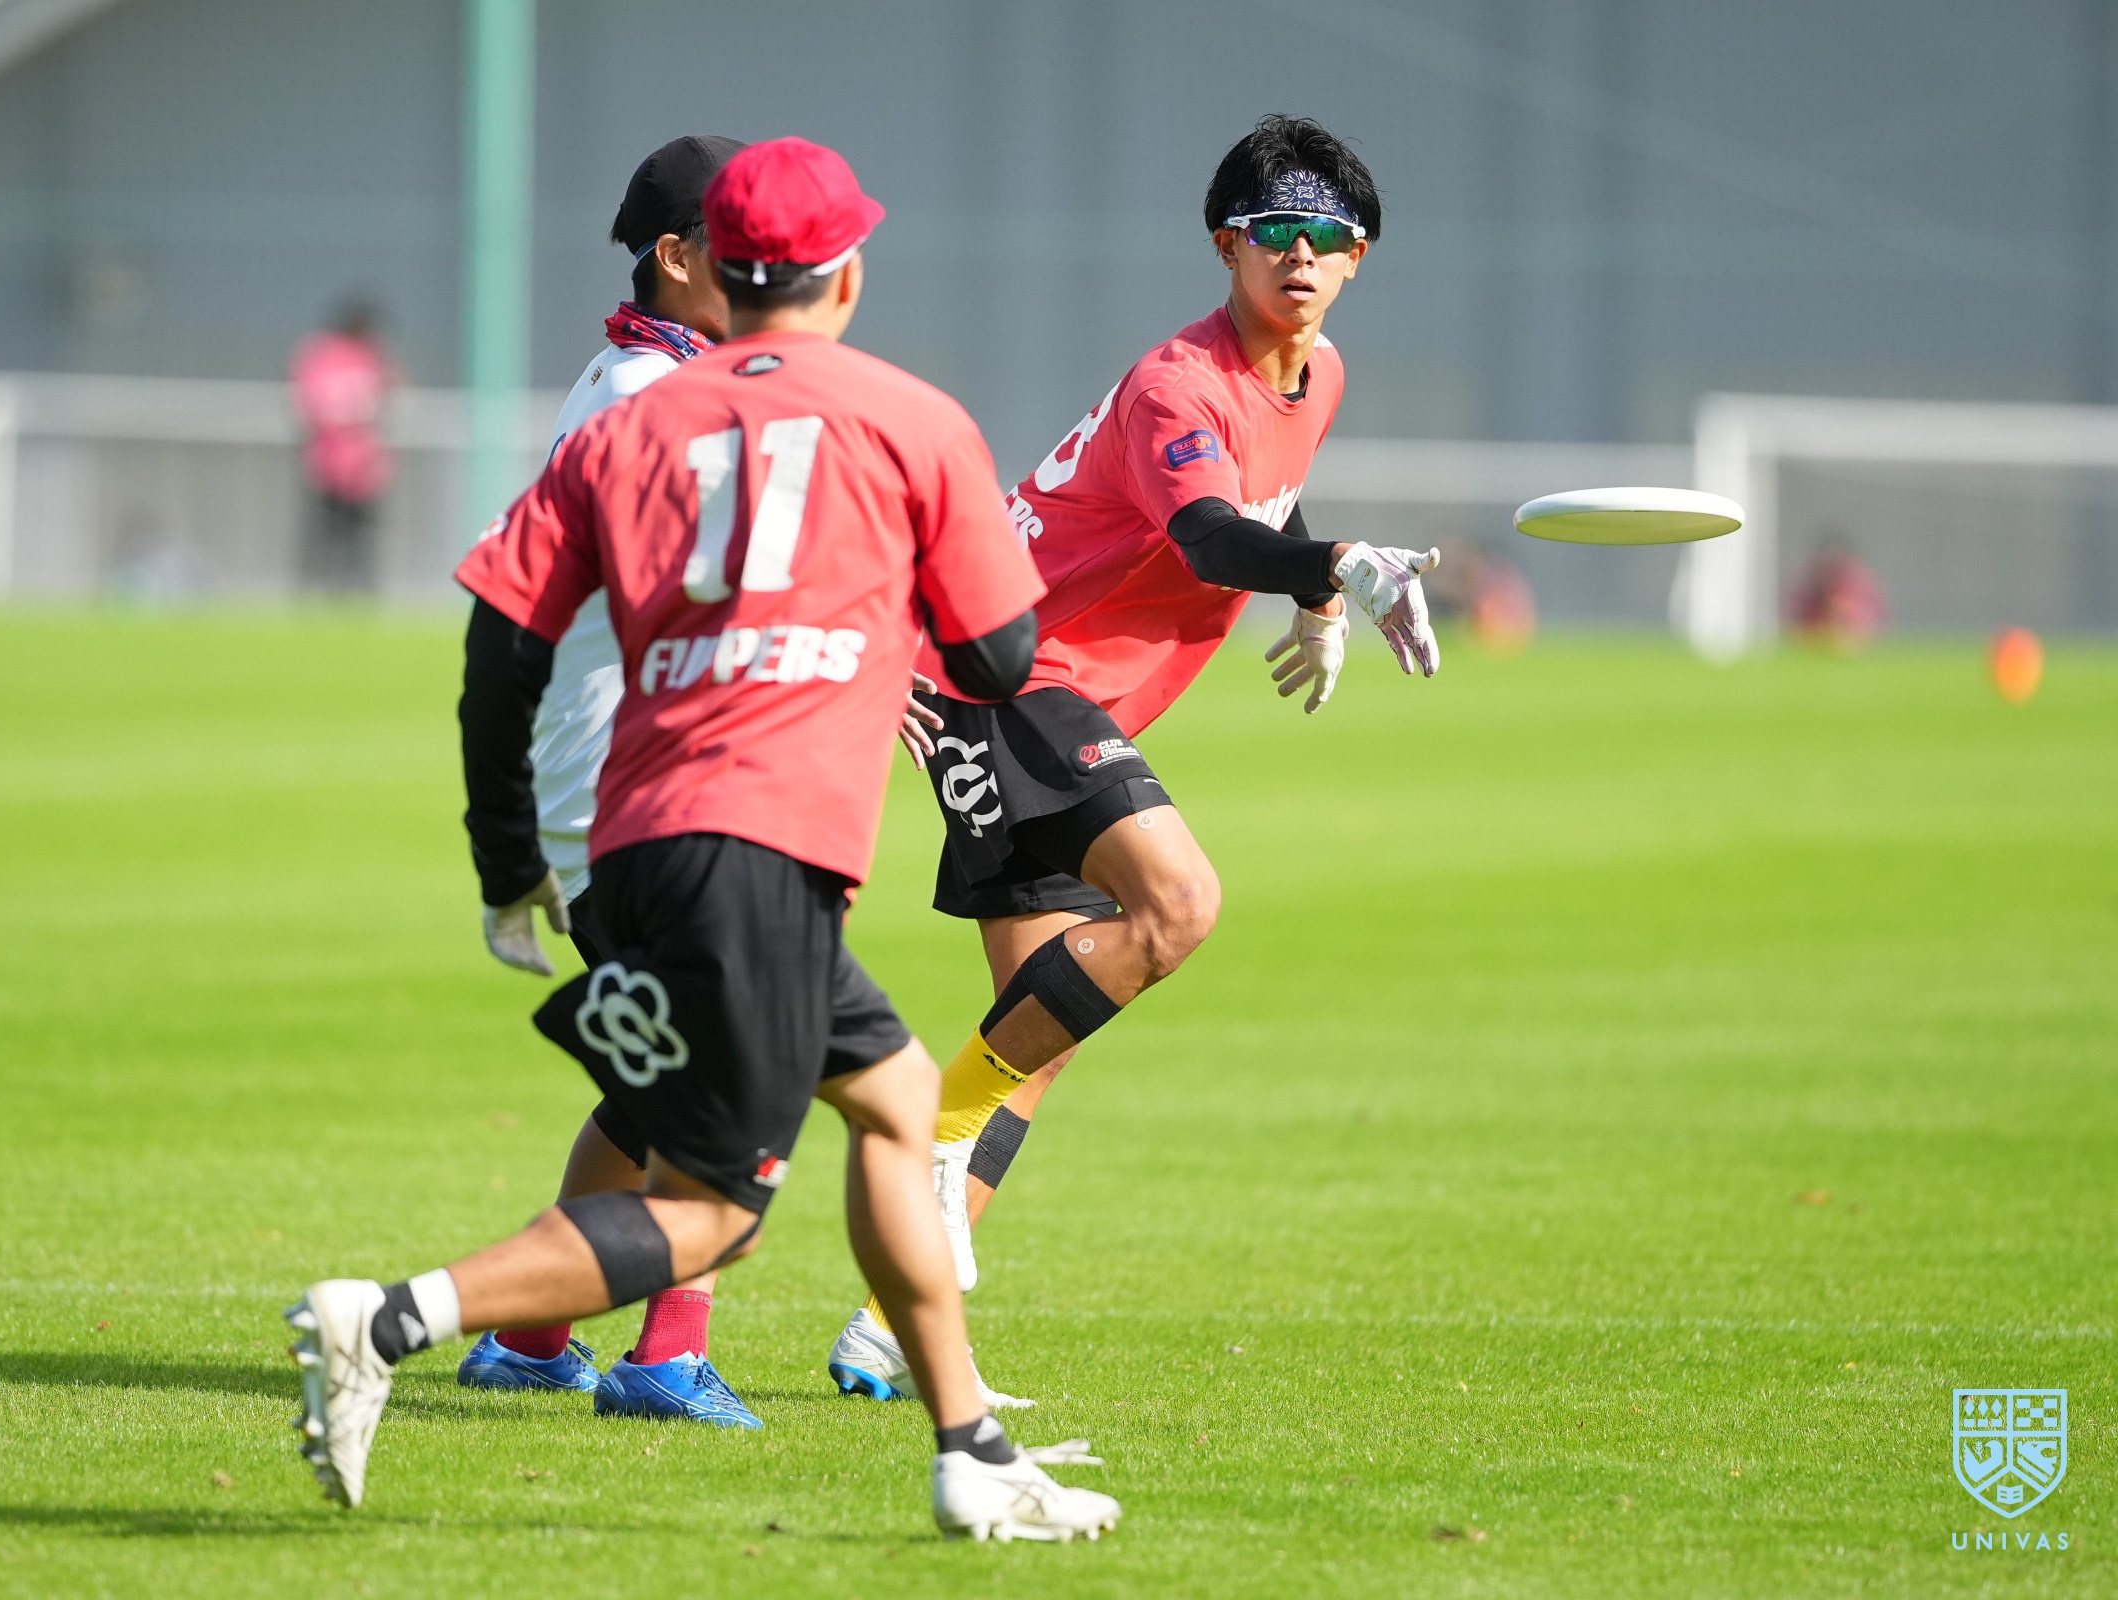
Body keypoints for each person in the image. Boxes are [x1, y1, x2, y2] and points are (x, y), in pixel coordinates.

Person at [285, 137, 1120, 1543]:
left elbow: (500, 648)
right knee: (713, 1207)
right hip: (762, 841)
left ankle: (970, 1450)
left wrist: (505, 860)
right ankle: (388, 1319)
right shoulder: (911, 417)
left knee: (896, 1102)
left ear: (717, 265)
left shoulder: (631, 422)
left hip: (635, 832)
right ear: (847, 276)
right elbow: (998, 657)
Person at [826, 113, 1444, 1397]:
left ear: (1360, 257)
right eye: (1276, 231)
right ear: (1227, 245)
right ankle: (931, 1128)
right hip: (1004, 670)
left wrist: (1317, 597)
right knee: (1178, 903)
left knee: (1039, 1030)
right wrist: (1335, 566)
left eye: (1329, 235)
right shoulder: (1179, 385)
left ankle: (891, 1328)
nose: (1302, 255)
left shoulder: (1317, 376)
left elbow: (1268, 494)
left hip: (1028, 680)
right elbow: (1212, 535)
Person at [452, 133, 769, 1425]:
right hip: (633, 793)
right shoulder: (653, 399)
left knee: (657, 1086)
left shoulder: (658, 375)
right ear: (677, 257)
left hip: (623, 786)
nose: (780, 273)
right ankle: (661, 1358)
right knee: (736, 1073)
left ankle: (533, 1338)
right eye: (748, 249)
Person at [291, 299, 395, 592]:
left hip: (363, 467)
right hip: (328, 463)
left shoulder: (372, 355)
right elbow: (311, 404)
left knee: (360, 536)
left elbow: (387, 397)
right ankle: (314, 587)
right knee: (324, 532)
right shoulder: (323, 353)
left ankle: (357, 589)